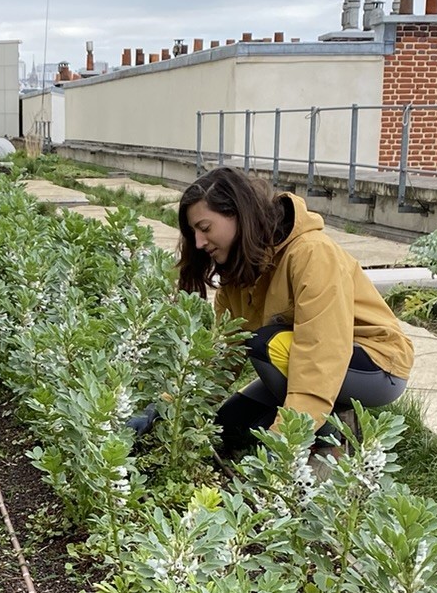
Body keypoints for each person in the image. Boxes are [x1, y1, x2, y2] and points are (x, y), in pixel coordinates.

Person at [176, 166, 414, 457]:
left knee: (264, 343)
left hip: (375, 365)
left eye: (204, 228)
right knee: (230, 426)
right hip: (301, 357)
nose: (199, 243)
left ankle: (329, 438)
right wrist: (168, 408)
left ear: (238, 213)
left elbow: (321, 351)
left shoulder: (312, 253)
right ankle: (311, 421)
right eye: (193, 233)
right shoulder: (236, 277)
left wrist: (284, 443)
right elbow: (225, 358)